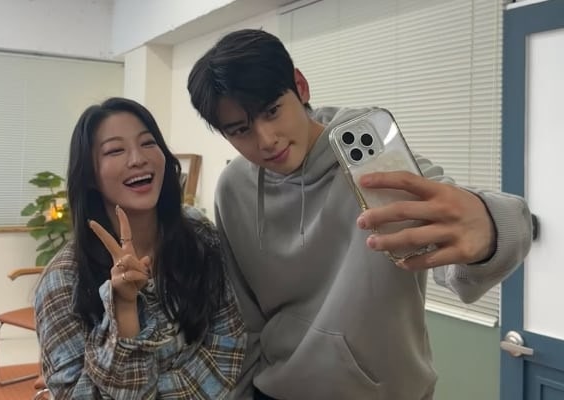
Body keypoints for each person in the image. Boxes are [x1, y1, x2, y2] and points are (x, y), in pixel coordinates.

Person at [187, 29, 533, 400]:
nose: (266, 139)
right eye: (241, 130)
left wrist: (489, 228)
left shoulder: (373, 163)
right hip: (277, 391)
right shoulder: (233, 188)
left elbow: (484, 233)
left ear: (300, 86)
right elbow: (245, 317)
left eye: (272, 111)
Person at [34, 97, 246, 399]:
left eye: (148, 143)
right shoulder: (62, 281)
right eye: (115, 150)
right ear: (90, 176)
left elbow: (228, 350)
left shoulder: (199, 235)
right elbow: (76, 394)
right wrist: (124, 309)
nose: (138, 159)